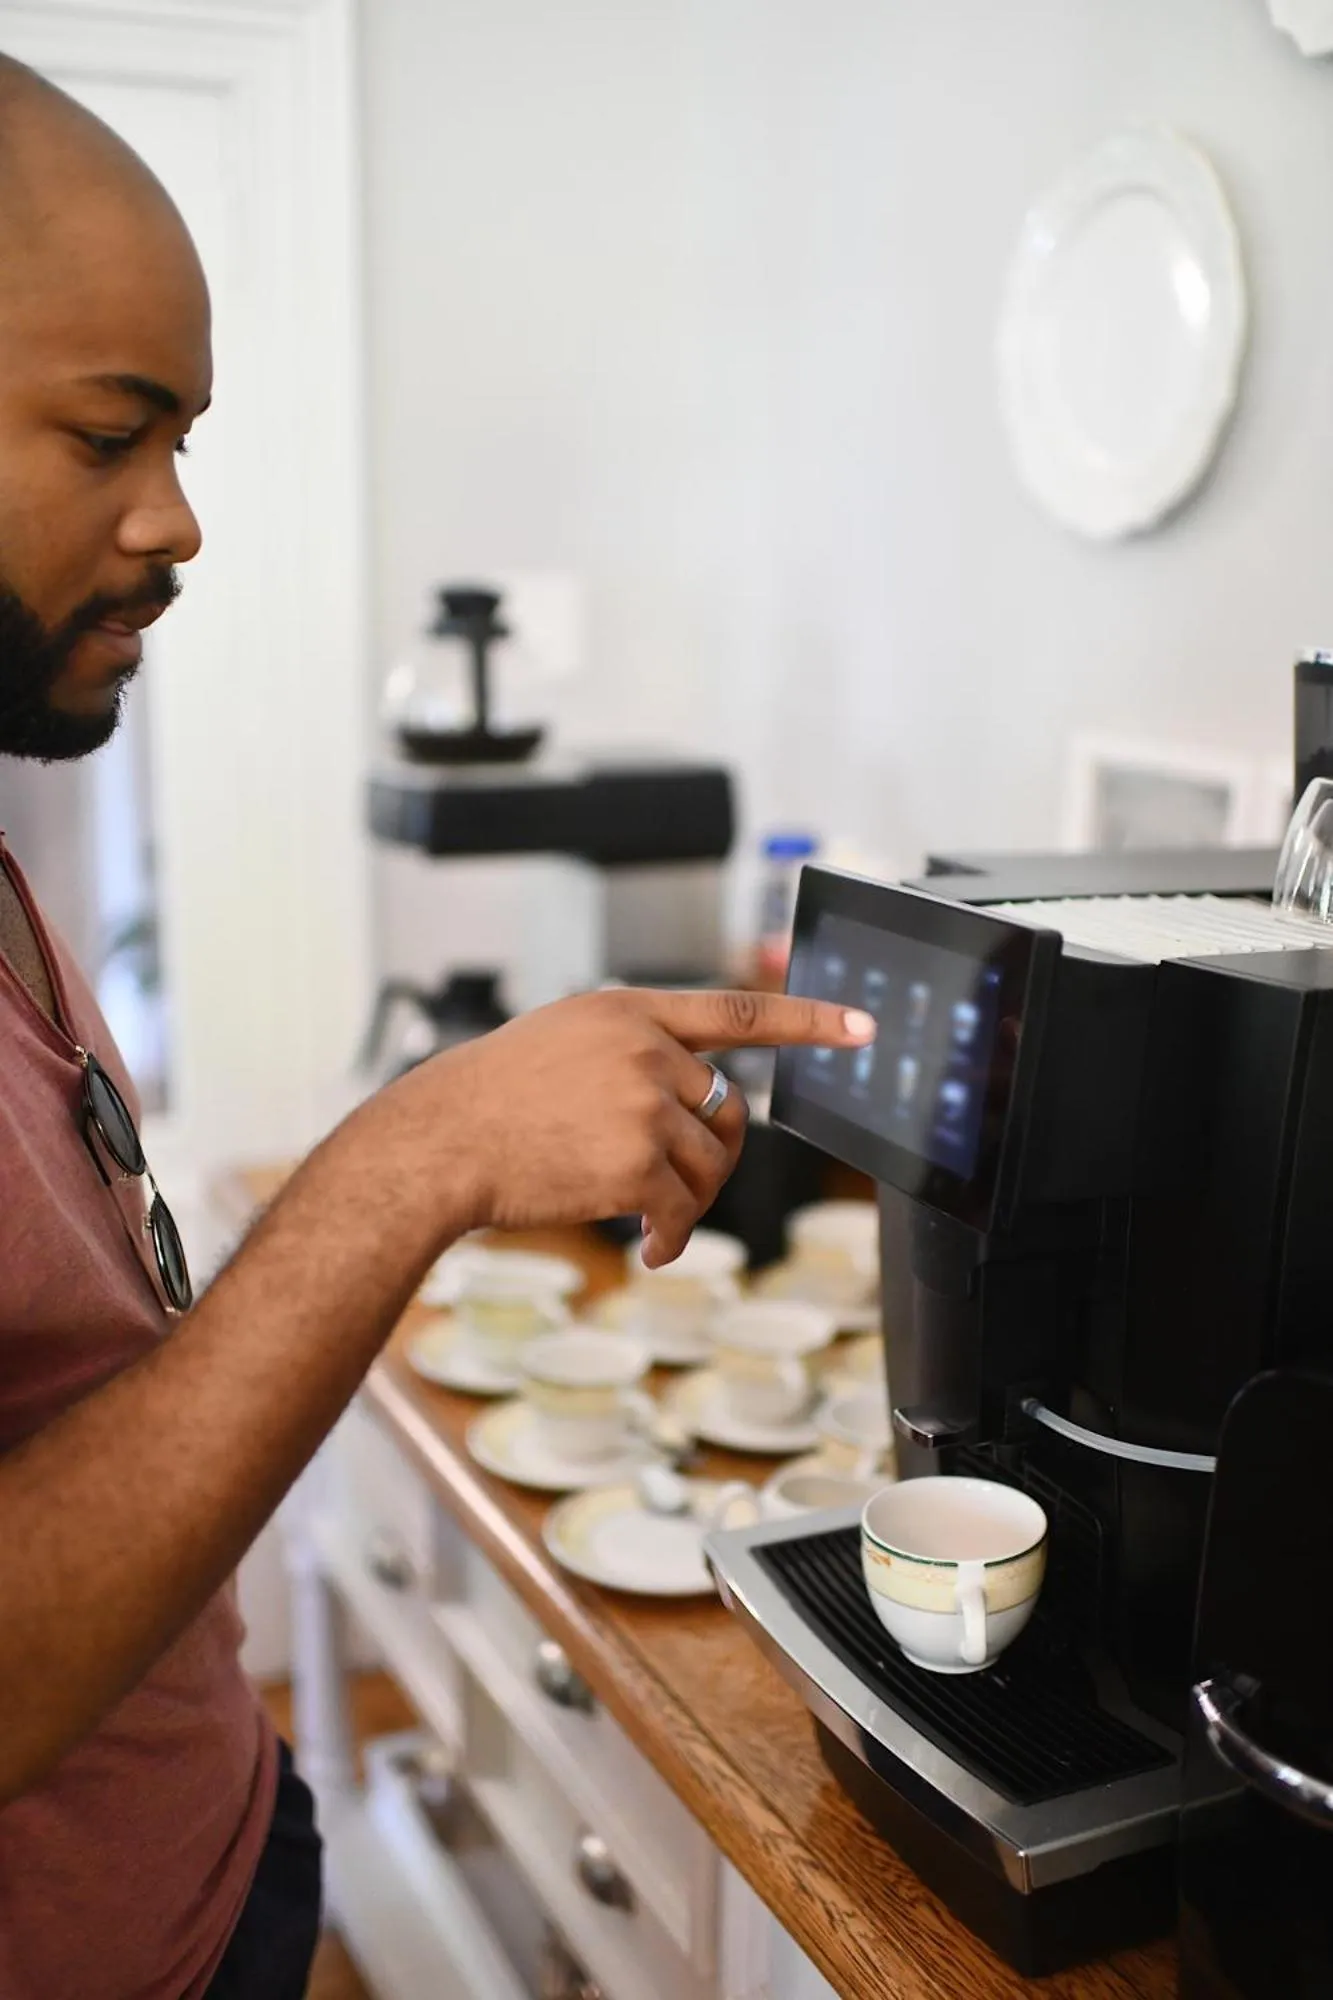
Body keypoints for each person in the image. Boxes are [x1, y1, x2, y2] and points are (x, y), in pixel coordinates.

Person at [0, 55, 874, 2000]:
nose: (178, 521)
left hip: (210, 1850)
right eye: (109, 435)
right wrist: (419, 1150)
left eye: (190, 439)